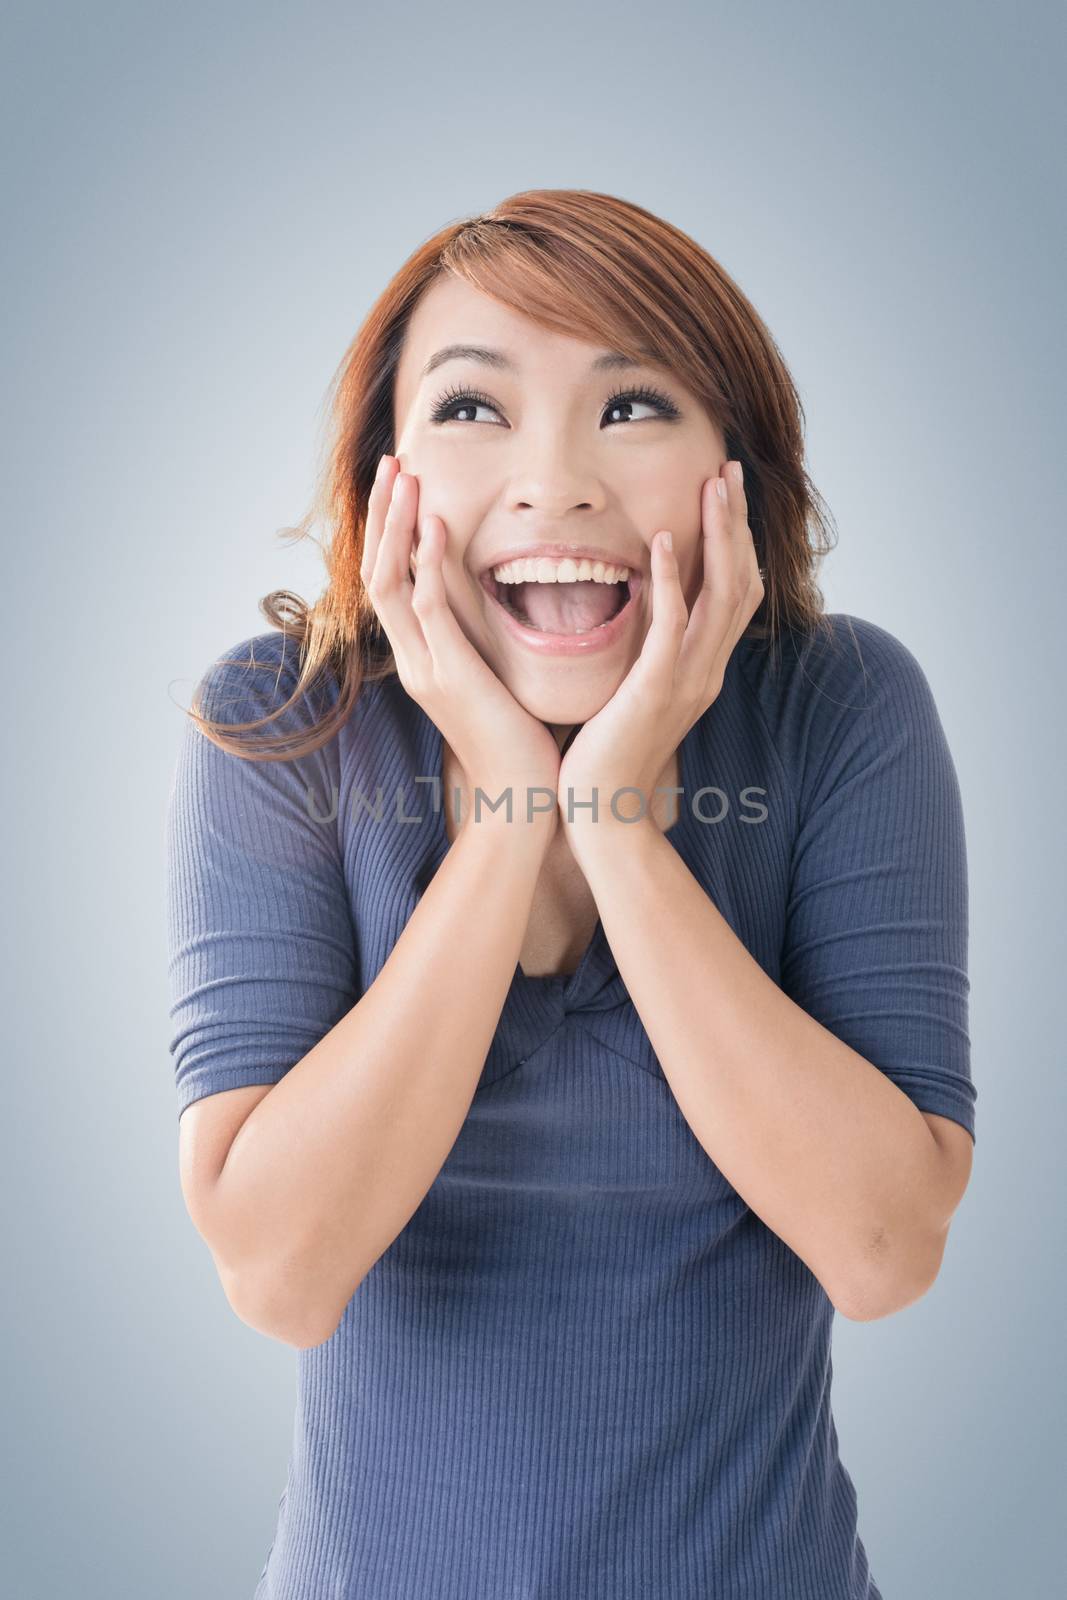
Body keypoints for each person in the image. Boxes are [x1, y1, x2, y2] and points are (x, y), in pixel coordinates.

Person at [164, 190, 977, 1600]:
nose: (555, 483)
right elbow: (282, 1271)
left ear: (738, 466)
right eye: (475, 409)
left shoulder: (842, 708)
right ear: (385, 478)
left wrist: (615, 821)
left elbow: (885, 1247)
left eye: (634, 405)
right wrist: (502, 820)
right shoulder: (281, 724)